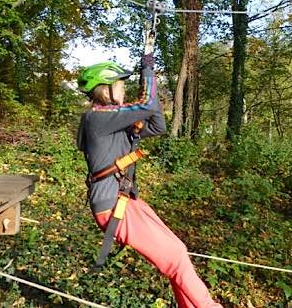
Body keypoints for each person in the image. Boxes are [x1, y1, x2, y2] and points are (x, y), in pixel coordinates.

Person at [76, 54, 222, 308]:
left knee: (178, 250)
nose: (123, 88)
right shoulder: (97, 118)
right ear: (105, 89)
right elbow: (149, 104)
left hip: (125, 201)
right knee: (175, 259)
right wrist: (148, 72)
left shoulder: (112, 120)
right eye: (119, 84)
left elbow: (157, 126)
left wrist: (148, 95)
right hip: (112, 205)